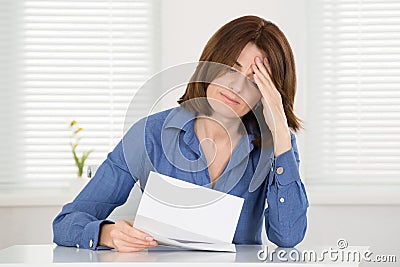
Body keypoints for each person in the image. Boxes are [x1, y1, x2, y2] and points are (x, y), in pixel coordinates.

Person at [53, 15, 308, 252]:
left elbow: (287, 236)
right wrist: (107, 234)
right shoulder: (149, 135)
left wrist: (281, 135)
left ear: (270, 93)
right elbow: (65, 224)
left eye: (255, 80)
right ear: (210, 65)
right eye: (230, 68)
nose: (237, 86)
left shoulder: (276, 146)